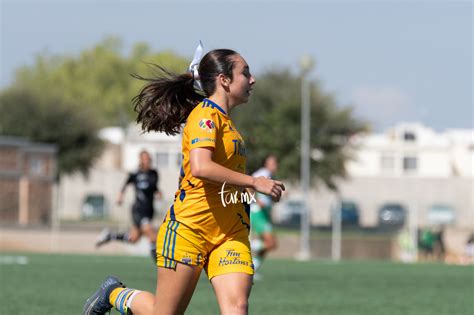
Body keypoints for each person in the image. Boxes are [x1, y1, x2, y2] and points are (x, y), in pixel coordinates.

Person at [83, 45, 285, 315]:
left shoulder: (228, 124)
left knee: (237, 307)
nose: (252, 79)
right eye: (245, 72)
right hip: (189, 231)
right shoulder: (204, 117)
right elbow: (201, 167)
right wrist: (253, 182)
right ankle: (115, 294)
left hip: (229, 235)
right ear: (224, 80)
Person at [95, 150, 161, 261]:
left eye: (149, 158)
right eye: (145, 158)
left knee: (133, 239)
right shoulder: (135, 174)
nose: (147, 160)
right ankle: (159, 263)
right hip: (138, 210)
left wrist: (158, 193)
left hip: (149, 210)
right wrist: (120, 196)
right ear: (141, 160)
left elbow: (154, 187)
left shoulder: (154, 173)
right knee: (152, 234)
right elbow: (125, 184)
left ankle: (110, 236)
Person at [250, 155, 279, 279]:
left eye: (275, 162)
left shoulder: (271, 176)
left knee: (271, 244)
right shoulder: (263, 172)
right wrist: (255, 200)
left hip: (264, 214)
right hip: (257, 213)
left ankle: (253, 269)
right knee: (271, 243)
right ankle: (247, 245)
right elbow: (249, 184)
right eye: (272, 162)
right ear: (266, 164)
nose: (275, 165)